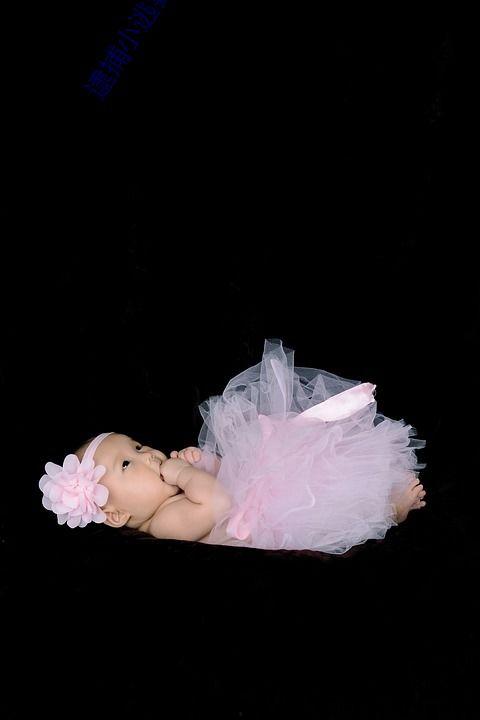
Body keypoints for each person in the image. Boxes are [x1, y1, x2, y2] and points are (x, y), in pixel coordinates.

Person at [39, 338, 427, 554]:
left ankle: (376, 490)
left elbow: (222, 476)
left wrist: (203, 462)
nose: (147, 456)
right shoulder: (163, 525)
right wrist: (184, 472)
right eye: (127, 465)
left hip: (259, 490)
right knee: (323, 516)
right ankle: (387, 514)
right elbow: (218, 502)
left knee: (316, 467)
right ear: (117, 515)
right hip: (270, 522)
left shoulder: (170, 498)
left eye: (137, 447)